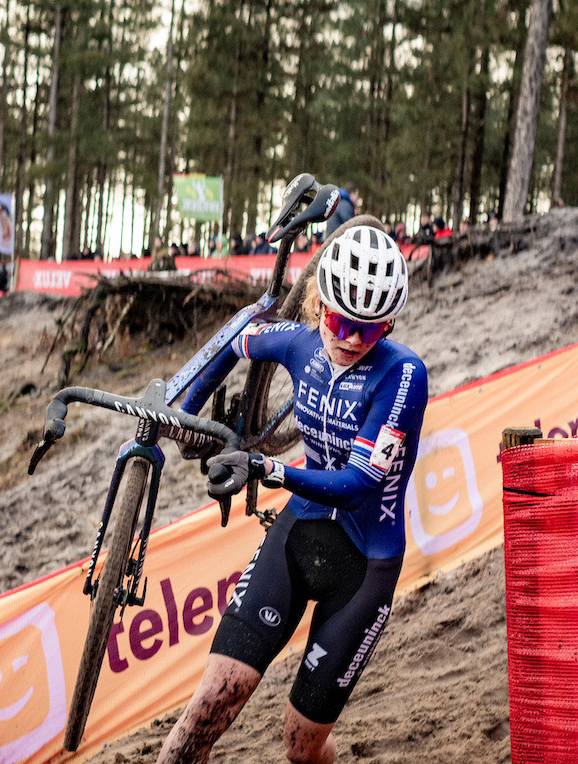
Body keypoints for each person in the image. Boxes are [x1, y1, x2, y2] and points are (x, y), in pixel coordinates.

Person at [161, 219, 427, 764]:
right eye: (340, 320)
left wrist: (266, 470)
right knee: (202, 716)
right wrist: (186, 414)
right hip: (296, 537)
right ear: (318, 302)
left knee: (301, 749)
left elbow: (357, 486)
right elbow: (236, 337)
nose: (352, 339)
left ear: (391, 324)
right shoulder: (297, 343)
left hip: (363, 567)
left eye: (371, 329)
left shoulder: (403, 375)